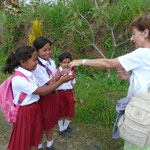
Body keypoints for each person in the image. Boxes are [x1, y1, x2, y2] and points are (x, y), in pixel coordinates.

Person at [70, 15, 150, 150]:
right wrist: (130, 79)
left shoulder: (142, 53)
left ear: (146, 33)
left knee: (138, 141)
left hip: (141, 112)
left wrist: (81, 61)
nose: (131, 39)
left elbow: (107, 63)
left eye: (134, 34)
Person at [2, 45, 74, 150]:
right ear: (23, 62)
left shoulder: (30, 74)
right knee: (25, 139)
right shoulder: (19, 79)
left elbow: (45, 87)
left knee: (35, 137)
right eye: (34, 60)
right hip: (26, 112)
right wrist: (61, 81)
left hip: (35, 108)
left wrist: (59, 78)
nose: (37, 62)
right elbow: (43, 91)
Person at [33, 37, 71, 150]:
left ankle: (49, 144)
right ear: (37, 51)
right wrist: (61, 75)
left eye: (49, 49)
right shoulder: (37, 66)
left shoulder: (52, 62)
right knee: (41, 123)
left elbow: (53, 80)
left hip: (53, 95)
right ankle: (39, 145)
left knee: (50, 121)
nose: (48, 52)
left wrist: (59, 77)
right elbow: (50, 82)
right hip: (44, 97)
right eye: (44, 50)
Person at [56, 52, 83, 139]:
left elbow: (72, 85)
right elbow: (53, 84)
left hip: (69, 93)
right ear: (60, 63)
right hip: (59, 94)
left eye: (68, 62)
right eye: (64, 62)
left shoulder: (72, 71)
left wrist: (73, 96)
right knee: (60, 113)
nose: (66, 64)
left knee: (70, 112)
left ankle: (65, 127)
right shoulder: (57, 72)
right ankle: (61, 129)